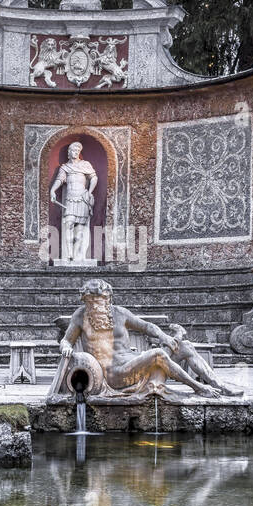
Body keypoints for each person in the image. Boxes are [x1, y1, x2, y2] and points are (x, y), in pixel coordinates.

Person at [58, 279, 220, 397]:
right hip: (114, 374)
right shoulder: (80, 316)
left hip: (133, 362)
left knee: (185, 346)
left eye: (100, 301)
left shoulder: (120, 313)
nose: (95, 306)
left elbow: (147, 326)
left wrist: (164, 336)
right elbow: (66, 340)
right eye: (90, 301)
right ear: (85, 302)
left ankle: (218, 384)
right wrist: (66, 347)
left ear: (108, 300)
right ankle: (198, 387)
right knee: (157, 354)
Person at [49, 141, 98, 261]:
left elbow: (94, 178)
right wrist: (52, 190)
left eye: (77, 151)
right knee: (69, 224)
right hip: (70, 199)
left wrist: (89, 192)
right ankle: (69, 253)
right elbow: (59, 180)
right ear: (68, 153)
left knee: (80, 229)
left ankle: (76, 255)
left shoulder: (85, 165)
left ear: (79, 152)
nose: (75, 153)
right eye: (72, 150)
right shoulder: (65, 167)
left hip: (82, 198)